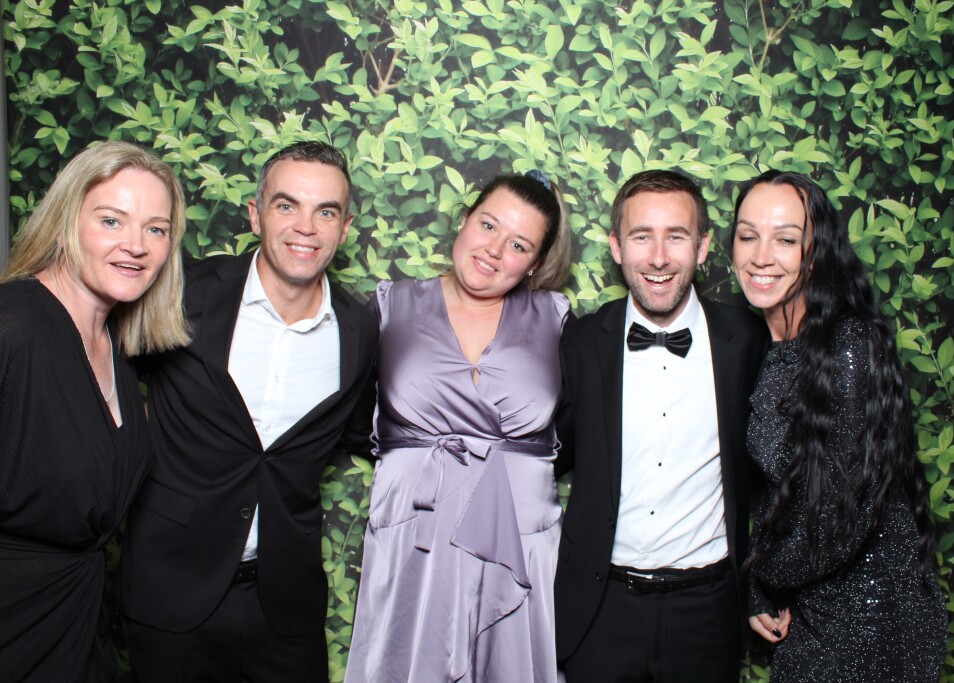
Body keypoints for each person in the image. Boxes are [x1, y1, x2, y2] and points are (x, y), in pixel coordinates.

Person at [118, 141, 379, 682]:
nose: (306, 227)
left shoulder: (360, 331)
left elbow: (367, 432)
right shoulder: (183, 293)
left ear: (345, 228)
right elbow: (104, 373)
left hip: (286, 605)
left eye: (326, 212)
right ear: (256, 214)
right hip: (172, 592)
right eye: (287, 205)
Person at [345, 170, 573, 682]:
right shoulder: (391, 305)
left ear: (535, 263)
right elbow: (352, 416)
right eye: (488, 225)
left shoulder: (555, 318)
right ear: (465, 218)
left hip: (518, 537)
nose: (494, 250)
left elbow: (577, 431)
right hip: (414, 532)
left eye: (518, 244)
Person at [554, 169, 770, 682]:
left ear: (702, 247)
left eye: (675, 236)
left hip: (708, 612)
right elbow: (547, 457)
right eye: (641, 237)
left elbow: (781, 474)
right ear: (616, 246)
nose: (657, 257)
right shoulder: (580, 343)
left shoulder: (747, 341)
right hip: (599, 609)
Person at [731, 170, 947, 680]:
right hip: (813, 615)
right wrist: (759, 588)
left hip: (876, 622)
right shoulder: (762, 346)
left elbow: (838, 520)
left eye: (786, 239)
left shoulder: (850, 344)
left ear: (817, 251)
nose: (761, 256)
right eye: (747, 236)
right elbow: (778, 492)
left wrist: (753, 577)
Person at [0, 141, 189, 681]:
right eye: (112, 221)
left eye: (156, 229)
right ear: (66, 223)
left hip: (78, 627)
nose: (136, 246)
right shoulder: (13, 325)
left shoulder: (116, 351)